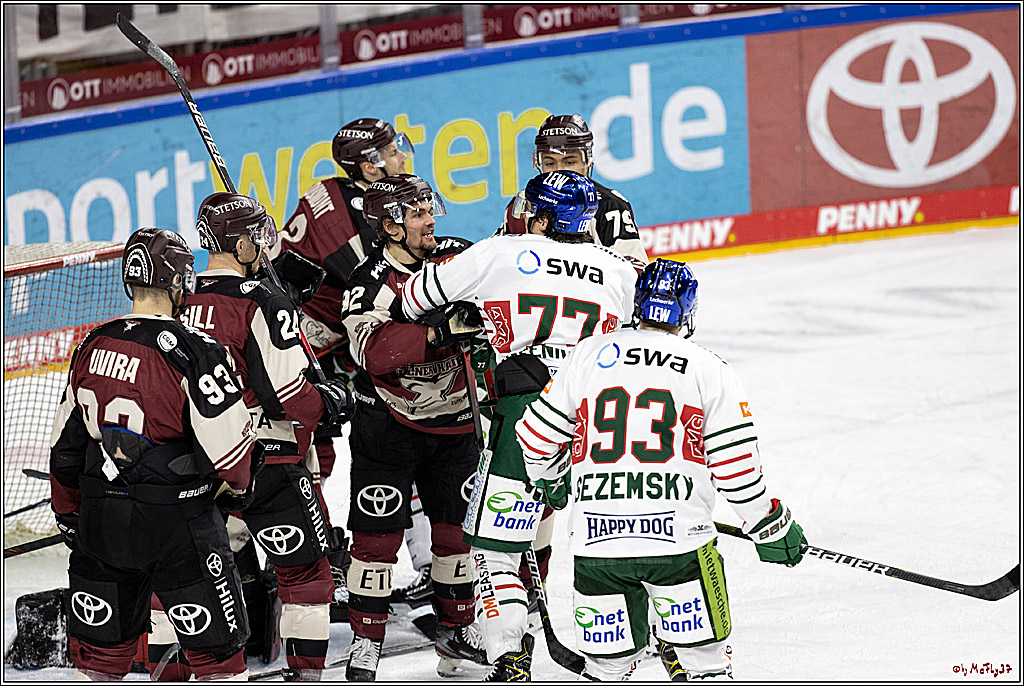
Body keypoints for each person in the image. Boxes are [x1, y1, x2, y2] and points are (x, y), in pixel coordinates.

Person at [515, 258, 808, 680]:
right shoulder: (710, 369)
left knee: (606, 669)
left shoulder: (589, 354)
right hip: (679, 548)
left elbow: (535, 438)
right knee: (702, 663)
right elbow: (735, 468)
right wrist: (770, 526)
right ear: (687, 310)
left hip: (598, 548)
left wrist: (552, 480)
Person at [400, 170, 638, 681]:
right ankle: (634, 655)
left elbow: (414, 299)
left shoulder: (498, 253)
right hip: (606, 424)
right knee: (623, 540)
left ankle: (507, 652)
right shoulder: (619, 271)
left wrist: (478, 310)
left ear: (542, 215)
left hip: (525, 419)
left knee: (495, 549)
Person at [48, 228, 258, 680]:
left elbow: (65, 450)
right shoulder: (197, 350)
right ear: (180, 282)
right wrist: (234, 491)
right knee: (219, 658)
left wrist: (70, 515)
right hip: (176, 528)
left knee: (102, 661)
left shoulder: (91, 343)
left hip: (100, 524)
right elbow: (234, 458)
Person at [172, 192, 353, 680]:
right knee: (307, 578)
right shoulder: (263, 300)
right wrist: (330, 402)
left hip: (197, 464)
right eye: (258, 235)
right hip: (266, 462)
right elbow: (288, 393)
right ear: (241, 241)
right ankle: (306, 674)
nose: (266, 243)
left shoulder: (178, 296)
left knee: (192, 581)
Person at [273, 118, 433, 607]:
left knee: (392, 438)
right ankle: (324, 566)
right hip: (306, 350)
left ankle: (417, 560)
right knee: (309, 455)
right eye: (392, 150)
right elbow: (383, 286)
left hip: (330, 341)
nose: (402, 155)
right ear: (369, 165)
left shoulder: (333, 192)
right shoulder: (358, 218)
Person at [340, 174, 487, 680]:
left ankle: (460, 639)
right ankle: (365, 645)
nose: (431, 219)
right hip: (388, 428)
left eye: (430, 209)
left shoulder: (457, 258)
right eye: (419, 212)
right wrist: (440, 330)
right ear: (390, 226)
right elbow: (373, 352)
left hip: (457, 424)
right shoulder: (366, 281)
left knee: (456, 539)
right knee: (375, 543)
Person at [499, 113, 648, 272]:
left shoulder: (609, 206)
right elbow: (496, 258)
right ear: (538, 164)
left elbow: (636, 273)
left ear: (588, 161)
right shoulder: (524, 205)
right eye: (549, 163)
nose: (559, 171)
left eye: (570, 162)